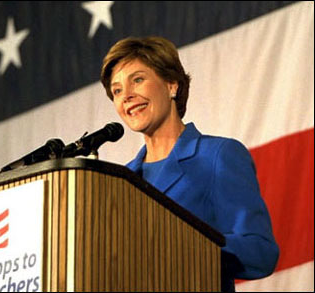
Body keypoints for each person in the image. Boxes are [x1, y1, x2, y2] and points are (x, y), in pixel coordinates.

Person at [100, 36, 279, 291]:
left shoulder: (218, 155)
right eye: (117, 90)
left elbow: (260, 252)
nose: (126, 95)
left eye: (137, 80)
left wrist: (184, 243)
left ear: (172, 85)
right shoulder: (121, 182)